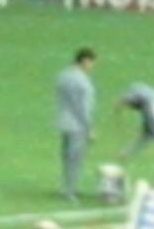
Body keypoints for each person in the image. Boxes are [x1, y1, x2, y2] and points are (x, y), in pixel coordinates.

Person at [55, 47, 97, 201]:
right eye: (92, 63)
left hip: (64, 121)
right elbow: (82, 107)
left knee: (66, 157)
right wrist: (89, 128)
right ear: (85, 61)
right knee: (76, 158)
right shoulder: (82, 81)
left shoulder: (63, 75)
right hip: (78, 125)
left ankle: (65, 187)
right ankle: (70, 191)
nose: (92, 67)